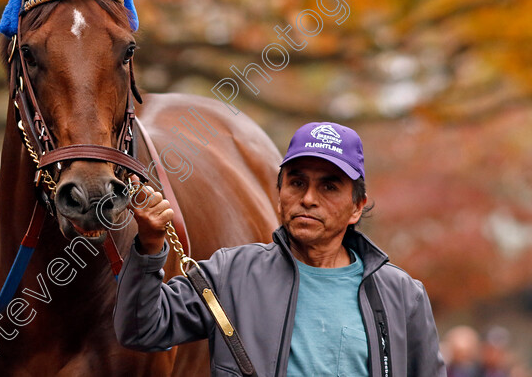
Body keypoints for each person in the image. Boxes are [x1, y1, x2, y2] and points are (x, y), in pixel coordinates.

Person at [114, 121, 446, 376]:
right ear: (280, 193)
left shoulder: (402, 296)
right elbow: (141, 330)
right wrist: (150, 245)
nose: (308, 199)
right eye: (297, 182)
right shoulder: (229, 276)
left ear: (357, 207)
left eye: (329, 186)